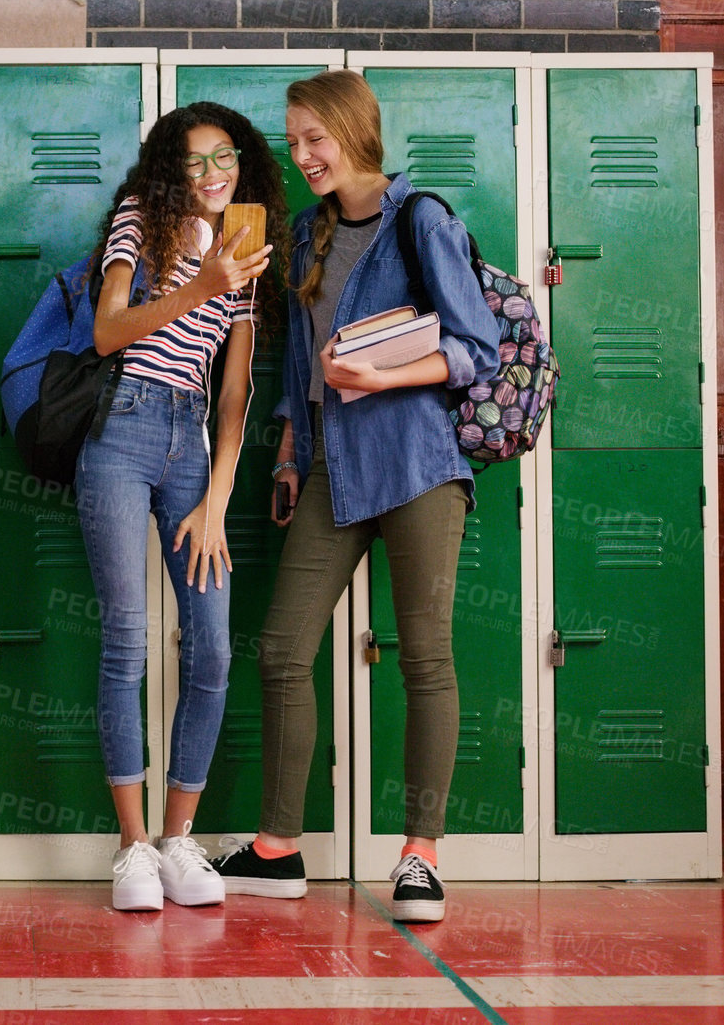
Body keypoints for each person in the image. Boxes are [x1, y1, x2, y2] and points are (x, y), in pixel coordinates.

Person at [209, 70, 501, 923]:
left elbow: (473, 349)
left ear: (355, 130)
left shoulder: (423, 221)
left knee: (425, 659)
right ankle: (277, 848)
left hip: (416, 464)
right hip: (334, 469)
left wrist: (380, 376)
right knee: (280, 650)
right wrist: (291, 457)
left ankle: (419, 856)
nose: (301, 157)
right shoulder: (306, 235)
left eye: (314, 139)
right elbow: (300, 365)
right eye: (292, 142)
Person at [76, 102, 287, 911]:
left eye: (224, 157)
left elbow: (234, 390)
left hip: (192, 450)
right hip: (124, 428)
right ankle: (130, 850)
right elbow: (107, 331)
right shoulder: (142, 221)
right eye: (195, 161)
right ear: (172, 169)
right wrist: (202, 284)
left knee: (212, 649)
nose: (212, 174)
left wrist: (218, 498)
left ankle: (176, 840)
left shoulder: (245, 247)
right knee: (127, 638)